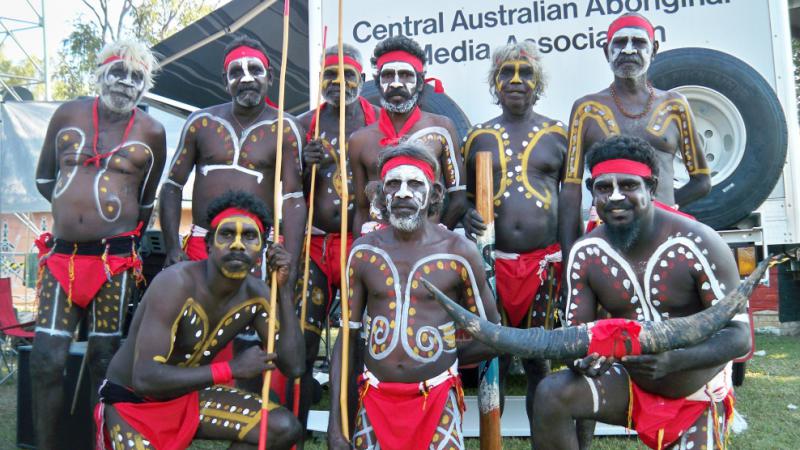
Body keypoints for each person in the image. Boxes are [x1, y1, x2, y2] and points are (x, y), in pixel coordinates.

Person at [534, 135, 749, 450]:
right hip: (631, 387)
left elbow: (739, 337)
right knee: (552, 394)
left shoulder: (699, 242)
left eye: (629, 185)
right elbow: (576, 338)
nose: (616, 197)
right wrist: (582, 359)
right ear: (592, 192)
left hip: (696, 391)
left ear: (652, 186)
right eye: (604, 188)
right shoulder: (587, 252)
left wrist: (675, 361)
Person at [32, 39, 166, 449]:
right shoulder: (67, 114)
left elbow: (146, 201)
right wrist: (73, 213)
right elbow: (44, 179)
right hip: (62, 260)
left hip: (114, 264)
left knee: (104, 362)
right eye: (118, 72)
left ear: (145, 87)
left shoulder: (152, 132)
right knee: (46, 361)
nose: (125, 83)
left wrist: (113, 233)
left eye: (136, 77)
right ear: (100, 73)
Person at [98, 191, 305, 450]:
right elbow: (144, 378)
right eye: (227, 234)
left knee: (282, 428)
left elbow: (294, 366)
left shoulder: (258, 295)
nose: (238, 244)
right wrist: (230, 369)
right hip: (133, 404)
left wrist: (283, 291)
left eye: (249, 236)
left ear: (262, 250)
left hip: (188, 398)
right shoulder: (175, 284)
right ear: (208, 245)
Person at [328, 143, 501, 450]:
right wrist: (336, 425)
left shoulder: (458, 252)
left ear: (434, 194)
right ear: (381, 194)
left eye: (415, 184)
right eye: (393, 184)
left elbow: (491, 333)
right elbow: (347, 340)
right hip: (375, 398)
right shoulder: (364, 252)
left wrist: (441, 352)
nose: (404, 194)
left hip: (436, 399)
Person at [461, 41, 566, 442]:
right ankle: (493, 438)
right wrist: (468, 213)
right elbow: (467, 199)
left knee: (540, 361)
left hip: (544, 267)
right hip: (494, 265)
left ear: (538, 83)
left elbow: (570, 201)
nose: (517, 80)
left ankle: (545, 439)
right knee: (495, 358)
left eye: (526, 73)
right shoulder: (478, 137)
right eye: (507, 73)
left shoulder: (559, 135)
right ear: (495, 83)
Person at [558, 12, 711, 255]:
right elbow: (570, 191)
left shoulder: (675, 105)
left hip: (664, 234)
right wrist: (570, 257)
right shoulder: (586, 109)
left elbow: (702, 181)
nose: (629, 50)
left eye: (639, 43)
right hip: (608, 237)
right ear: (606, 51)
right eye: (620, 43)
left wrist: (660, 207)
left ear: (654, 49)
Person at [159, 34, 305, 275]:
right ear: (225, 81)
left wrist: (291, 256)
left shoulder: (286, 129)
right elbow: (172, 185)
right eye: (236, 71)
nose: (246, 78)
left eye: (255, 70)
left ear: (269, 77)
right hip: (202, 244)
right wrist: (173, 247)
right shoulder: (201, 122)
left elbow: (293, 197)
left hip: (256, 246)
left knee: (253, 313)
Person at [295, 43, 380, 432]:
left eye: (348, 75)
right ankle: (292, 428)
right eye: (331, 75)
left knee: (354, 339)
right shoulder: (303, 124)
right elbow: (289, 189)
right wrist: (304, 166)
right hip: (314, 245)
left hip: (358, 244)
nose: (339, 83)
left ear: (361, 79)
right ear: (320, 81)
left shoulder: (378, 123)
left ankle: (346, 426)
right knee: (303, 335)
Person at [349, 35, 468, 235]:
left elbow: (459, 199)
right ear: (378, 83)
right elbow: (361, 210)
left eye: (405, 75)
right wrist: (357, 255)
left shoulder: (441, 129)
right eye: (388, 76)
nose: (396, 84)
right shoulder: (360, 140)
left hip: (429, 245)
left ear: (420, 83)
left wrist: (435, 237)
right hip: (379, 249)